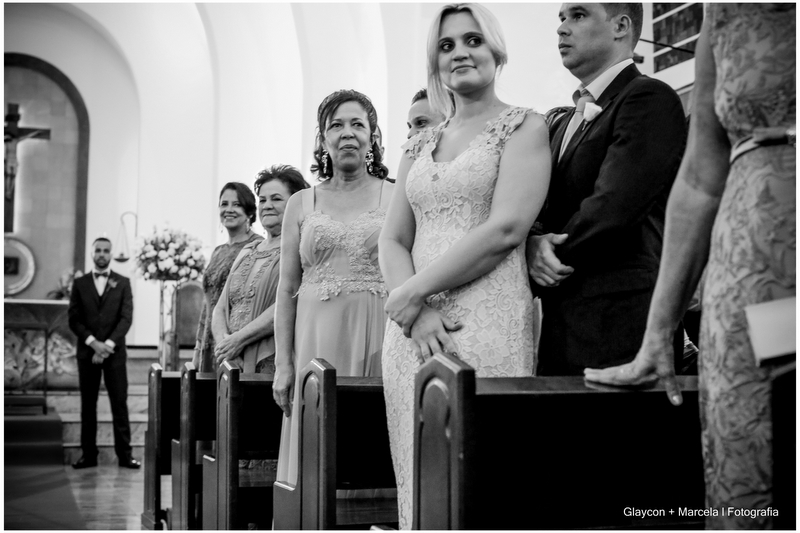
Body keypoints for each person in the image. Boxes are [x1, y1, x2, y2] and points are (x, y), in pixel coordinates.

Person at [585, 4, 795, 528]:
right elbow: (700, 180)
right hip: (752, 275)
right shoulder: (724, 16)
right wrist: (660, 330)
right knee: (754, 480)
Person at [379, 3, 551, 527]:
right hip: (412, 334)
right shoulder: (418, 144)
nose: (460, 53)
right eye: (447, 45)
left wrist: (411, 295)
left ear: (496, 50)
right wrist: (416, 311)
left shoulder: (525, 126)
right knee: (420, 481)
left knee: (484, 477)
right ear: (434, 61)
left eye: (472, 40)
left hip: (489, 317)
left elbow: (505, 230)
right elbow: (392, 238)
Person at [527, 3, 687, 375]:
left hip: (623, 324)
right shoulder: (559, 121)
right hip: (561, 323)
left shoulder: (648, 98)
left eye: (578, 15)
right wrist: (532, 242)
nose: (562, 28)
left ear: (621, 26)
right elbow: (539, 206)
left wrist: (545, 254)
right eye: (561, 18)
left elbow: (614, 207)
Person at [273, 89, 395, 487]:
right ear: (322, 139)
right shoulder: (301, 203)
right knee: (314, 444)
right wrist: (283, 363)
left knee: (372, 441)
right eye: (336, 125)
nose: (347, 133)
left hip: (378, 329)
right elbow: (286, 288)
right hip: (314, 336)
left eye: (357, 124)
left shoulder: (395, 195)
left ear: (372, 136)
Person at [211, 165, 309, 375]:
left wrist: (239, 339)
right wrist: (224, 346)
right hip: (231, 359)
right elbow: (220, 307)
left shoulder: (301, 249)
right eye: (262, 200)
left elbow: (288, 301)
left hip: (270, 358)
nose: (267, 206)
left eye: (276, 199)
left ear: (295, 203)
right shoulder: (248, 249)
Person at [68, 237, 139, 469]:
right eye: (98, 250)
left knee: (119, 404)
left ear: (110, 254)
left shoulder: (123, 282)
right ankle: (88, 455)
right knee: (88, 405)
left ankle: (125, 455)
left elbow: (126, 318)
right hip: (87, 353)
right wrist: (93, 343)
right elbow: (73, 318)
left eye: (105, 251)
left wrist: (107, 345)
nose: (101, 254)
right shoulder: (80, 284)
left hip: (114, 354)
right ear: (92, 253)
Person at [193, 182, 263, 373]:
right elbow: (207, 305)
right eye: (224, 204)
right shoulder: (218, 251)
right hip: (209, 337)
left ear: (249, 212)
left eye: (237, 204)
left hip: (235, 341)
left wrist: (235, 344)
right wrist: (199, 345)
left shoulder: (258, 247)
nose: (229, 210)